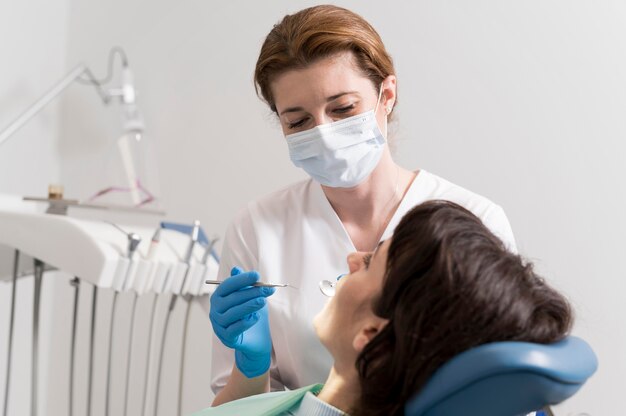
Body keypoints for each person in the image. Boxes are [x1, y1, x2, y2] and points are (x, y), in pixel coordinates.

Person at [203, 4, 518, 404]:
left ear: (387, 94)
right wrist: (252, 368)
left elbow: (503, 391)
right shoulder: (258, 227)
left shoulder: (474, 220)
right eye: (298, 122)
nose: (325, 134)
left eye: (343, 109)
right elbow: (240, 412)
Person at [195, 201, 572, 415]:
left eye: (372, 262)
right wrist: (251, 371)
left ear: (371, 334)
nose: (352, 257)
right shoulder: (307, 400)